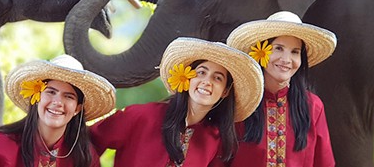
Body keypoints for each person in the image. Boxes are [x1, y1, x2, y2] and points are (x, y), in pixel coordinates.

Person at [89, 37, 264, 166]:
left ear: (225, 91)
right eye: (201, 72)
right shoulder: (141, 116)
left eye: (217, 78)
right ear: (187, 78)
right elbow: (86, 142)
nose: (207, 81)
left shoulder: (215, 139)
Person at [0, 54, 116, 167]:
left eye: (68, 96)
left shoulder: (85, 157)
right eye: (51, 92)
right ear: (36, 97)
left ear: (77, 109)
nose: (57, 102)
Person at [226, 11, 337, 166]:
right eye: (278, 48)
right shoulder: (239, 103)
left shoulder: (313, 107)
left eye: (295, 52)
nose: (286, 60)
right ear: (261, 52)